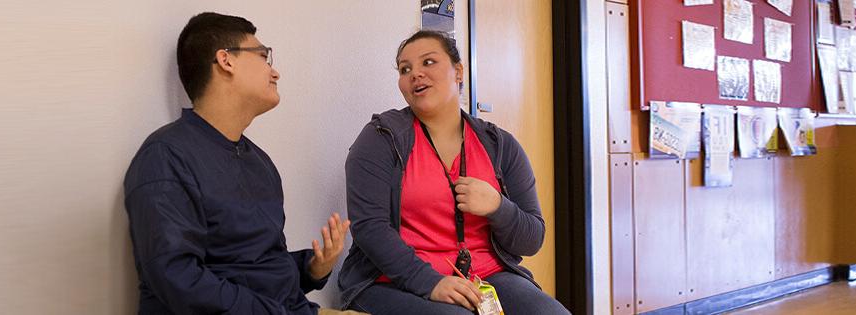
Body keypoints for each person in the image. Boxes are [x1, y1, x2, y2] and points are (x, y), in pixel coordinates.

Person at [123, 12, 353, 314]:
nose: (275, 72)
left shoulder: (259, 162)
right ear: (226, 60)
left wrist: (312, 268)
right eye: (263, 57)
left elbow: (259, 268)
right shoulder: (165, 157)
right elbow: (178, 280)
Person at [337, 30, 569, 314]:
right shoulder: (380, 138)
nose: (415, 74)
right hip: (393, 280)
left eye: (429, 62)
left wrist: (498, 206)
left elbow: (532, 239)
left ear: (458, 71)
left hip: (487, 276)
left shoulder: (500, 145)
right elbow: (369, 229)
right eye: (405, 69)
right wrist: (430, 282)